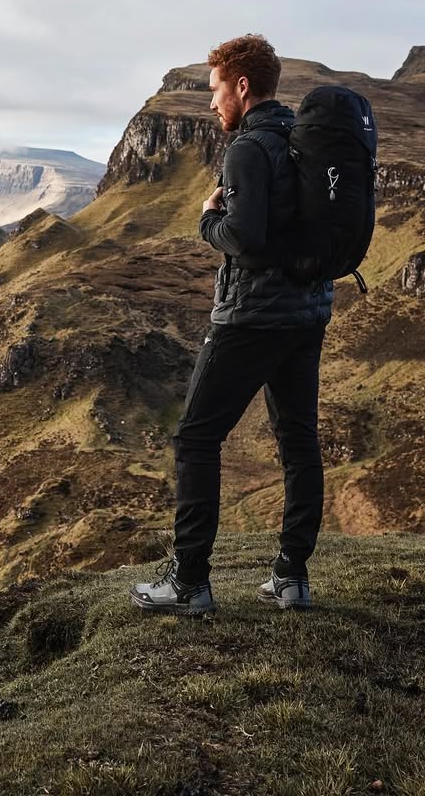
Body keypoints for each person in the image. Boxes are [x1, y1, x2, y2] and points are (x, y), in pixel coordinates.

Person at [130, 33, 334, 616]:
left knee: (196, 437)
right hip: (308, 313)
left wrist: (206, 218)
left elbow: (245, 240)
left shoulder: (249, 148)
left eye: (216, 89)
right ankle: (292, 577)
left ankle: (190, 580)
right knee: (298, 440)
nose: (211, 103)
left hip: (253, 318)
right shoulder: (303, 141)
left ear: (242, 87)